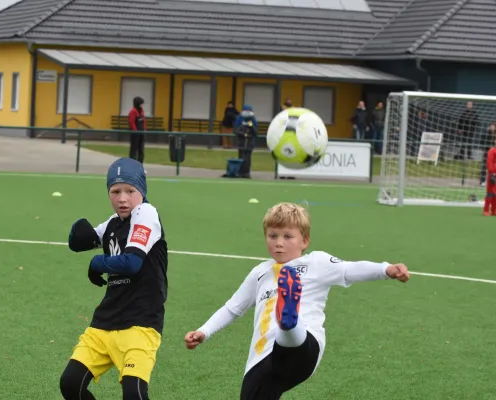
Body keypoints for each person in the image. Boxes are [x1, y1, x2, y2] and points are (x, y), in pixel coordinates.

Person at [184, 202, 410, 400]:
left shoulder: (316, 262)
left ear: (305, 240)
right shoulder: (260, 273)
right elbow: (232, 308)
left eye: (287, 236)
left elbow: (350, 269)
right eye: (273, 236)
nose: (279, 243)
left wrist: (386, 269)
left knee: (288, 336)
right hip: (262, 360)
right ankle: (287, 320)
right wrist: (204, 331)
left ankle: (289, 320)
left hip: (304, 345)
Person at [60, 157, 168, 400]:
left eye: (130, 190)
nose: (122, 198)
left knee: (134, 394)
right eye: (115, 191)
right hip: (105, 322)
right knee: (71, 384)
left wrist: (97, 263)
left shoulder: (146, 213)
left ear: (142, 191)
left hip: (140, 323)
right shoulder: (113, 223)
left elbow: (131, 263)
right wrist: (80, 235)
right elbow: (84, 239)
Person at [233, 104, 258, 179]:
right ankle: (240, 172)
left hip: (250, 142)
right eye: (246, 110)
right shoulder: (239, 118)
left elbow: (255, 131)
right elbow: (236, 129)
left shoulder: (253, 119)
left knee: (248, 157)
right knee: (241, 156)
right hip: (241, 142)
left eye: (249, 111)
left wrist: (250, 126)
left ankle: (247, 172)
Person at [128, 96, 146, 163]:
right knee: (134, 149)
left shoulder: (142, 111)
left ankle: (140, 163)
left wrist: (144, 130)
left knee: (141, 149)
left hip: (141, 133)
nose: (142, 105)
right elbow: (131, 122)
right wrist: (135, 131)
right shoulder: (133, 111)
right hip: (135, 134)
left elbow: (143, 121)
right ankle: (132, 163)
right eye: (141, 103)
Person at [483, 136, 496, 216]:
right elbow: (489, 163)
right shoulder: (492, 151)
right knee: (490, 193)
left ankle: (494, 210)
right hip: (493, 174)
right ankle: (486, 210)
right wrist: (492, 173)